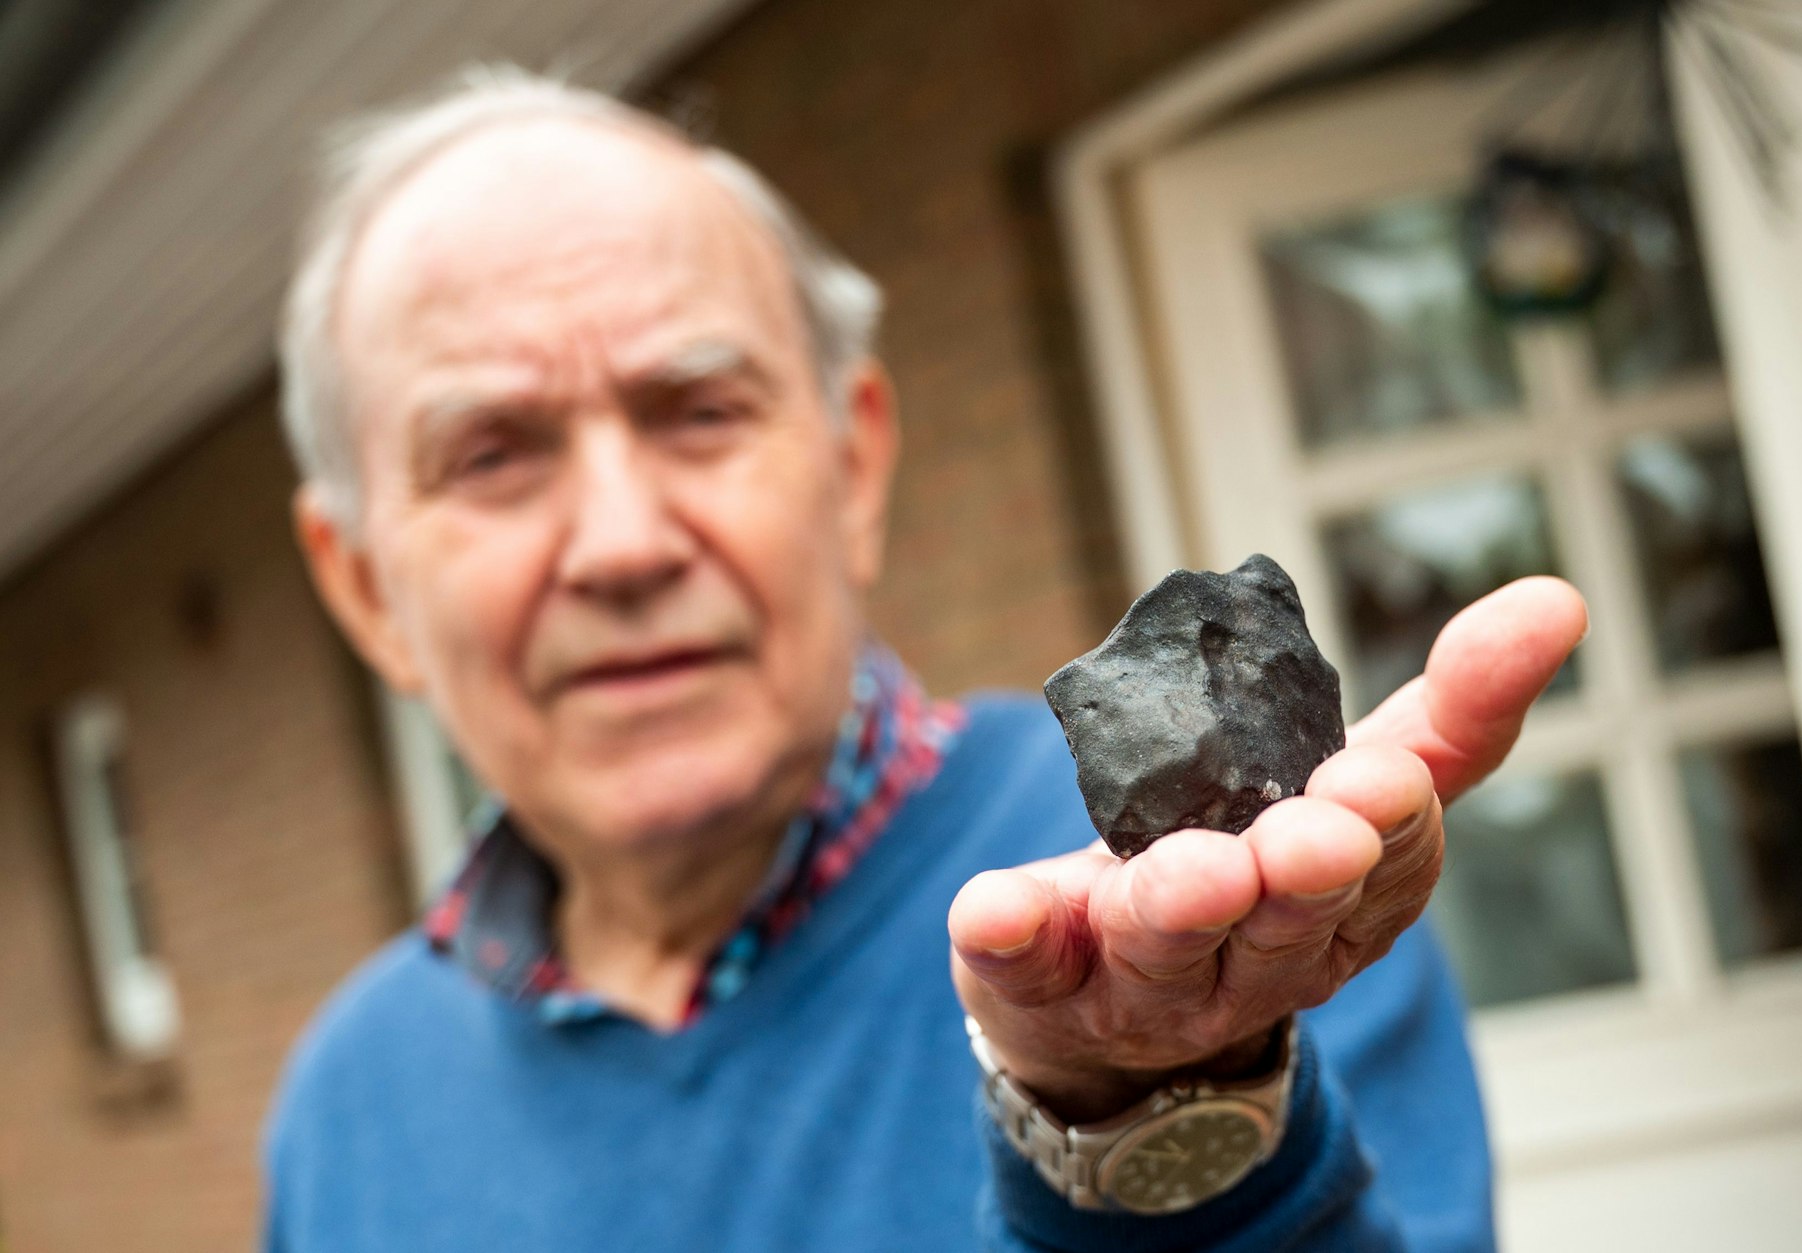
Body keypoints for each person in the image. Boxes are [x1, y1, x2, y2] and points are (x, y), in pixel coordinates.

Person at [265, 65, 1586, 1252]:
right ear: (365, 582)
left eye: (701, 410)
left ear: (855, 463)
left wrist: (1145, 1110)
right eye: (492, 453)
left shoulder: (1239, 924)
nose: (620, 543)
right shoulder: (346, 1107)